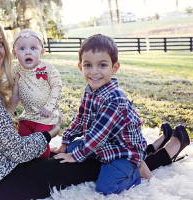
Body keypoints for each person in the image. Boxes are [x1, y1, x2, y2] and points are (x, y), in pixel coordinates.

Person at [0, 16, 102, 200]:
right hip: (5, 181)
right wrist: (50, 134)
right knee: (86, 165)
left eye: (0, 43)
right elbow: (17, 150)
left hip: (0, 173)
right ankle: (134, 158)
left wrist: (17, 102)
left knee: (65, 156)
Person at [52, 34, 191, 195]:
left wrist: (76, 156)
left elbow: (98, 135)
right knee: (69, 148)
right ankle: (159, 143)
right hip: (104, 146)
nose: (94, 72)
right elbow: (80, 119)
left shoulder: (115, 98)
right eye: (88, 65)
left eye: (102, 65)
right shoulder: (89, 91)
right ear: (80, 66)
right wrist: (65, 141)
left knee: (106, 187)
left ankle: (138, 169)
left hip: (123, 150)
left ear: (115, 67)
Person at [11, 29, 62, 159]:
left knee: (40, 141)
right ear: (14, 53)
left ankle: (43, 164)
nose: (28, 52)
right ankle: (27, 163)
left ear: (42, 52)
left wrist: (50, 106)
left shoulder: (48, 68)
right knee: (21, 138)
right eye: (22, 48)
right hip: (28, 115)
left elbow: (57, 86)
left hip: (45, 115)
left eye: (33, 48)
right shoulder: (16, 70)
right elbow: (8, 87)